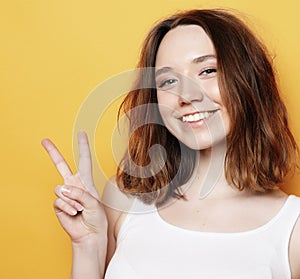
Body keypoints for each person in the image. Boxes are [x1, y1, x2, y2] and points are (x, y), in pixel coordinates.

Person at [42, 9, 300, 279]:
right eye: (168, 81)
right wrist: (87, 245)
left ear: (248, 80)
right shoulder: (124, 200)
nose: (186, 95)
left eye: (208, 70)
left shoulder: (292, 229)